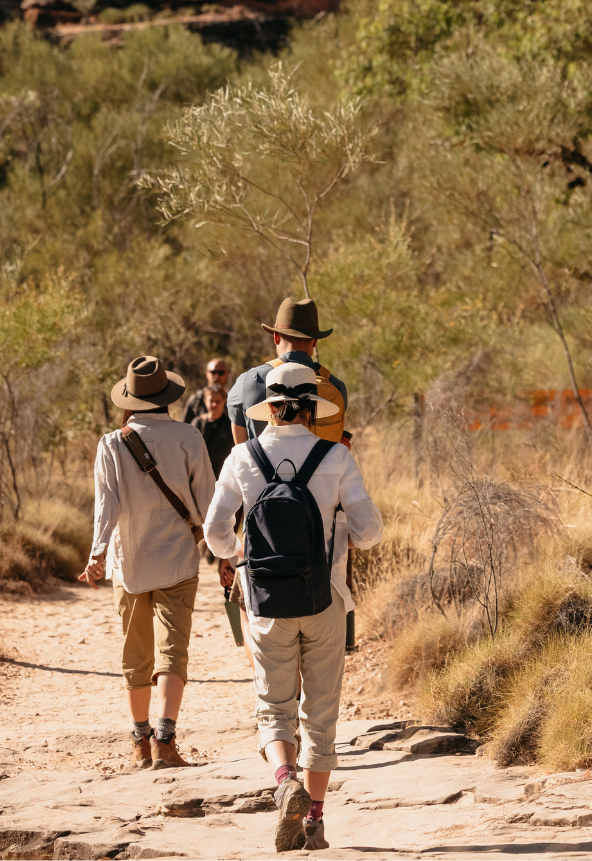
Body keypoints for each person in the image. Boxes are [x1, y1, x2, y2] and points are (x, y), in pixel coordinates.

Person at [205, 363, 383, 852]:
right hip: (325, 602)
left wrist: (237, 554)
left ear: (271, 405)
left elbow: (215, 533)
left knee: (273, 708)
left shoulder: (241, 457)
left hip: (265, 603)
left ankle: (285, 782)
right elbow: (370, 533)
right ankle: (315, 825)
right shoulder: (336, 457)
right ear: (311, 407)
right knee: (320, 715)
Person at [78, 355, 216, 771]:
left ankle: (139, 741)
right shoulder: (189, 437)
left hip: (130, 563)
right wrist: (225, 554)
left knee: (135, 653)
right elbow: (209, 503)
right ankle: (165, 741)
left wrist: (97, 553)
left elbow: (107, 506)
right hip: (178, 559)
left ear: (130, 399)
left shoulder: (111, 444)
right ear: (167, 397)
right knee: (173, 651)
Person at [226, 299, 349, 447]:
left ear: (276, 337)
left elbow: (240, 445)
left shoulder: (250, 381)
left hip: (264, 468)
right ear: (315, 341)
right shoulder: (337, 387)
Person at [194, 385, 234, 482]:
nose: (214, 404)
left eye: (218, 401)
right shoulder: (198, 423)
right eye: (211, 401)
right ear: (205, 401)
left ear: (224, 401)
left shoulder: (231, 424)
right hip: (201, 476)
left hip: (224, 476)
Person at [183, 357, 230, 424]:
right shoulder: (196, 400)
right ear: (207, 374)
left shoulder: (233, 401)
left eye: (221, 372)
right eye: (213, 372)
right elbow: (185, 426)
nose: (217, 376)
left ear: (226, 374)